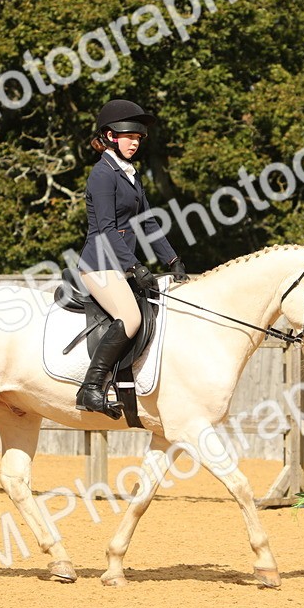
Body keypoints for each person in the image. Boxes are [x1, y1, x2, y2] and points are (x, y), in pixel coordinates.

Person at [74, 99, 188, 419]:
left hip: (118, 263)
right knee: (131, 317)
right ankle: (91, 388)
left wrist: (172, 260)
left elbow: (148, 222)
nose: (135, 142)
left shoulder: (130, 175)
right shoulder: (103, 174)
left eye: (138, 138)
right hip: (98, 263)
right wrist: (134, 266)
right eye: (129, 137)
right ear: (111, 136)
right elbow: (107, 229)